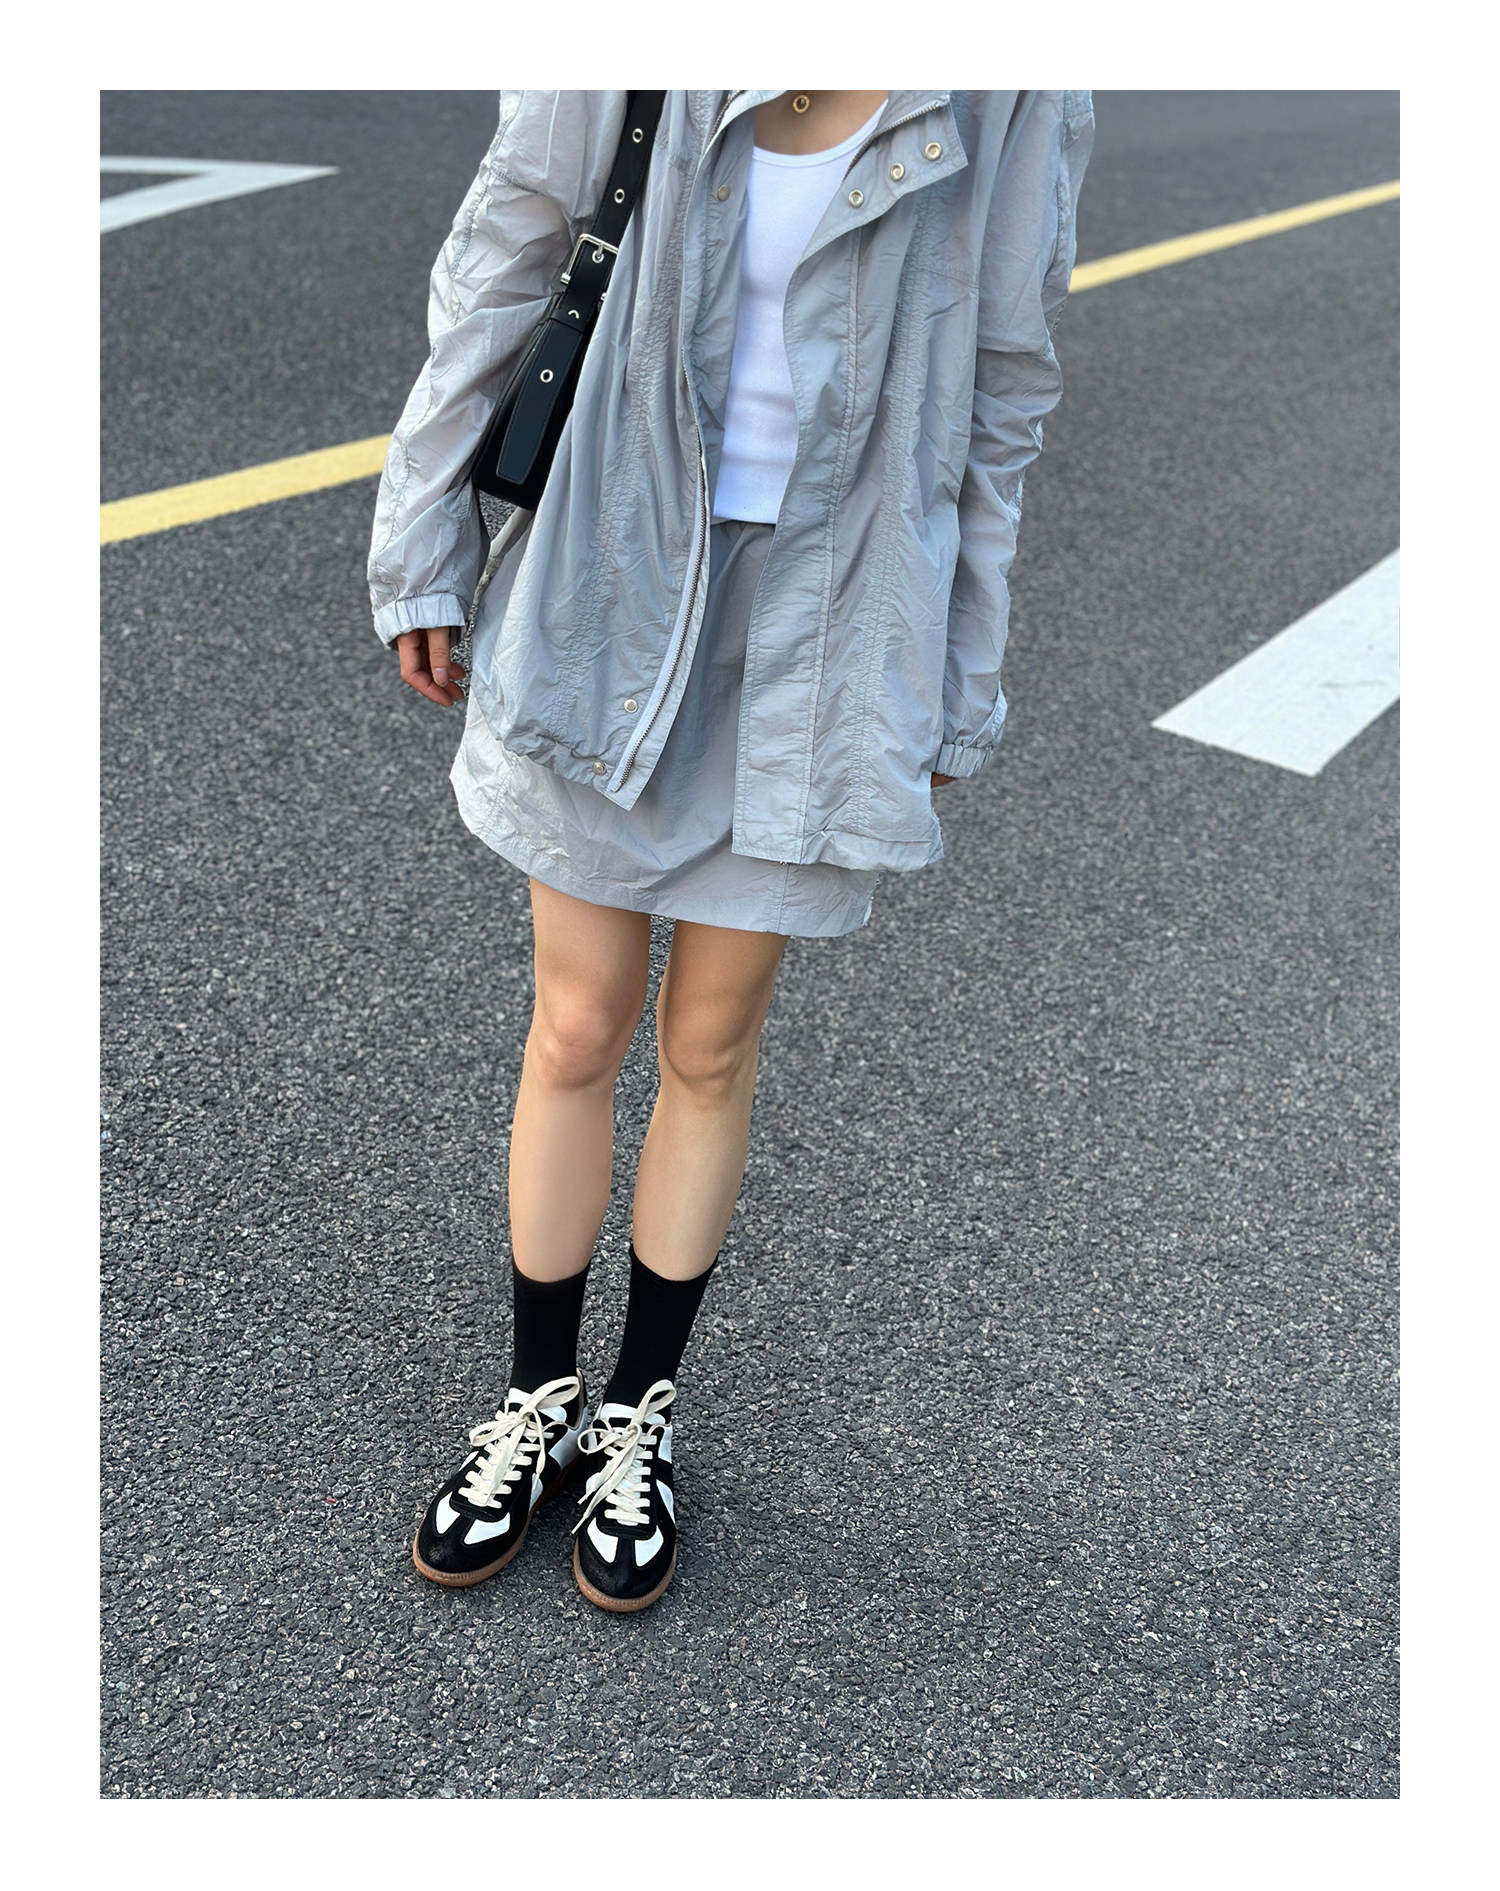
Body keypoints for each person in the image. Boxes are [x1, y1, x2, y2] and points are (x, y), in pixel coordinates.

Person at [368, 89, 1093, 1611]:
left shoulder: (1015, 78)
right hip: (611, 571)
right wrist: (422, 536)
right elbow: (506, 254)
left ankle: (637, 1414)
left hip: (832, 618)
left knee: (710, 1042)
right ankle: (536, 1398)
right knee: (577, 1023)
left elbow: (1006, 379)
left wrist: (959, 673)